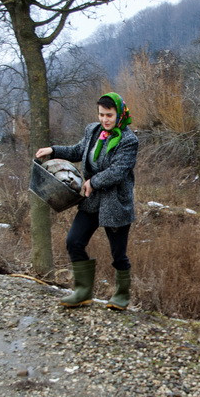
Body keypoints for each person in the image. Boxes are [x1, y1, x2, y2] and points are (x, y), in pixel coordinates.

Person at [35, 92, 138, 310]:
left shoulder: (129, 141)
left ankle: (121, 294)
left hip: (115, 202)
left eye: (109, 115)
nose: (104, 120)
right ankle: (82, 291)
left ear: (119, 114)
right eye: (101, 114)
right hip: (91, 200)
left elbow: (118, 171)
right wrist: (53, 150)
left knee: (118, 254)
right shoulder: (93, 130)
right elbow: (78, 151)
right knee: (74, 241)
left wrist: (94, 182)